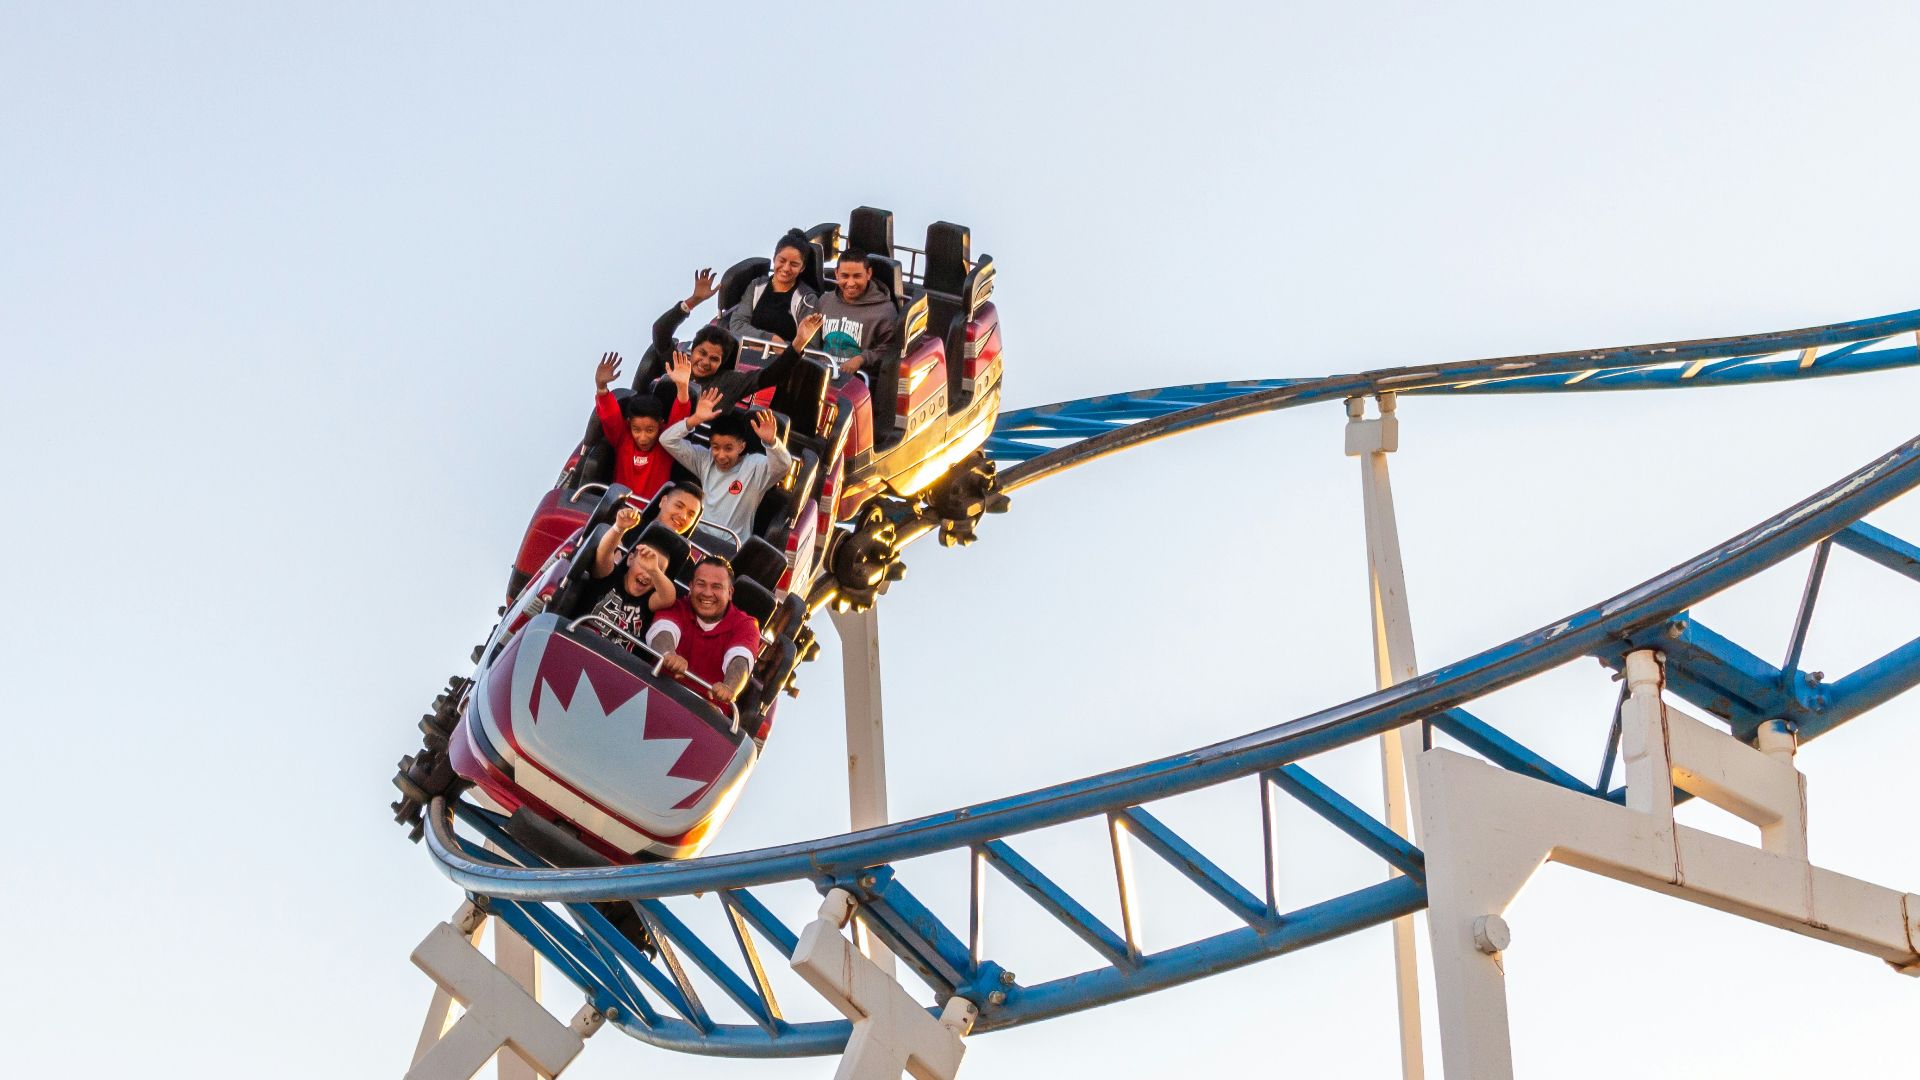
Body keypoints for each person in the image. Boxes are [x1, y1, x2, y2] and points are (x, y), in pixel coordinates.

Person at [658, 386, 794, 541]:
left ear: (741, 447)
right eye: (716, 447)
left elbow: (783, 465)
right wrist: (695, 419)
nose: (721, 455)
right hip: (695, 537)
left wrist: (771, 442)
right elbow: (666, 440)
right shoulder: (705, 459)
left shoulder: (755, 465)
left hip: (731, 547)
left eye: (728, 448)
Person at [646, 557, 762, 707]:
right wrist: (668, 654)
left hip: (705, 715)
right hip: (656, 693)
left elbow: (740, 660)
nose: (707, 593)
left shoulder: (746, 625)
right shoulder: (676, 606)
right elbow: (662, 632)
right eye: (701, 584)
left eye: (716, 587)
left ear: (730, 592)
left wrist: (729, 687)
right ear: (691, 586)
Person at [592, 352, 690, 500]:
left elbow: (680, 417)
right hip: (615, 510)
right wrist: (601, 386)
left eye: (650, 430)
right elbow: (609, 416)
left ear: (661, 425)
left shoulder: (666, 443)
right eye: (636, 430)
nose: (643, 437)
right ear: (629, 424)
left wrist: (683, 387)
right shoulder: (622, 437)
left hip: (648, 516)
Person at [576, 507, 677, 645]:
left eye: (658, 569)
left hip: (614, 661)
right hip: (581, 643)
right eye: (644, 563)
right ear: (630, 559)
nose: (648, 573)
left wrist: (654, 570)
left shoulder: (648, 602)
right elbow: (604, 553)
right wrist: (619, 528)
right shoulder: (610, 577)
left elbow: (669, 597)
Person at [636, 267, 737, 401]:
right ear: (693, 351)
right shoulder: (677, 364)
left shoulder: (720, 387)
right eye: (702, 353)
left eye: (714, 359)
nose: (705, 362)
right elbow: (660, 331)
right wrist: (694, 300)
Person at [815, 249, 900, 379]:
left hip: (860, 383)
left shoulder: (885, 311)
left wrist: (861, 359)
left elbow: (890, 350)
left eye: (857, 276)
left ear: (868, 273)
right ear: (836, 274)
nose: (850, 283)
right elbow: (813, 341)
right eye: (845, 276)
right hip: (822, 375)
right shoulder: (825, 301)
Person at [725, 230, 818, 348]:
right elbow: (737, 324)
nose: (786, 268)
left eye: (794, 264)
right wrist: (770, 340)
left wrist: (780, 347)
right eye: (782, 261)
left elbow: (811, 346)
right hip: (746, 357)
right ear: (774, 258)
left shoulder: (807, 299)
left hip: (785, 362)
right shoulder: (757, 286)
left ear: (802, 267)